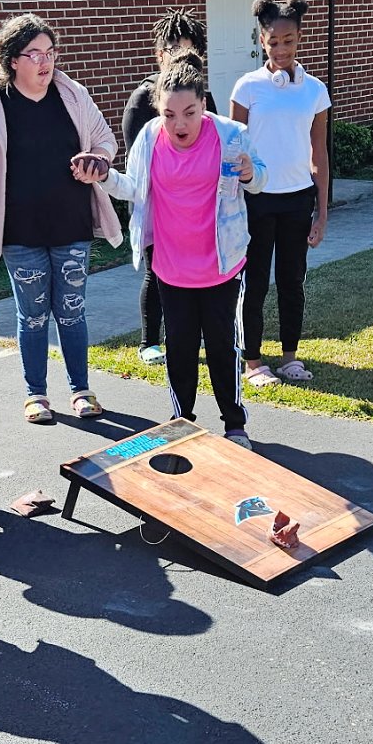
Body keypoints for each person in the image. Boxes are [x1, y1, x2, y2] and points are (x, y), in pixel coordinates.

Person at [80, 52, 267, 449]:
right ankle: (182, 420)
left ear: (203, 104)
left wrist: (252, 173)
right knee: (179, 349)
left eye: (189, 113)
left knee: (222, 347)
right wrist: (104, 176)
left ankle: (235, 425)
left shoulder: (231, 136)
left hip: (221, 265)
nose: (179, 124)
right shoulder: (150, 137)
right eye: (169, 114)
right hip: (171, 268)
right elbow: (133, 188)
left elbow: (260, 179)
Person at [0, 12, 123, 424]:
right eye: (34, 54)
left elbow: (105, 140)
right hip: (19, 232)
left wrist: (97, 160)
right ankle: (36, 395)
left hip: (71, 225)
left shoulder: (73, 95)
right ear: (13, 60)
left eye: (50, 52)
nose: (45, 62)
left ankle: (81, 390)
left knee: (71, 311)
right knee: (32, 315)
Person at [230, 0, 330, 388]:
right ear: (261, 40)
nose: (281, 49)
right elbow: (234, 151)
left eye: (288, 41)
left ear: (300, 37)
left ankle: (290, 357)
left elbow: (319, 152)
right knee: (253, 282)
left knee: (292, 281)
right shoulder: (247, 87)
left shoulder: (315, 91)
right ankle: (252, 362)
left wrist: (322, 212)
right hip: (255, 199)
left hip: (297, 200)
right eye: (273, 41)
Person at [122, 8, 218, 366]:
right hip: (157, 206)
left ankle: (203, 334)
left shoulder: (202, 97)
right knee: (157, 272)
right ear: (159, 54)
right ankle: (149, 341)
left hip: (198, 207)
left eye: (188, 50)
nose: (180, 57)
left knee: (201, 274)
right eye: (173, 49)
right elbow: (136, 163)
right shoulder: (144, 98)